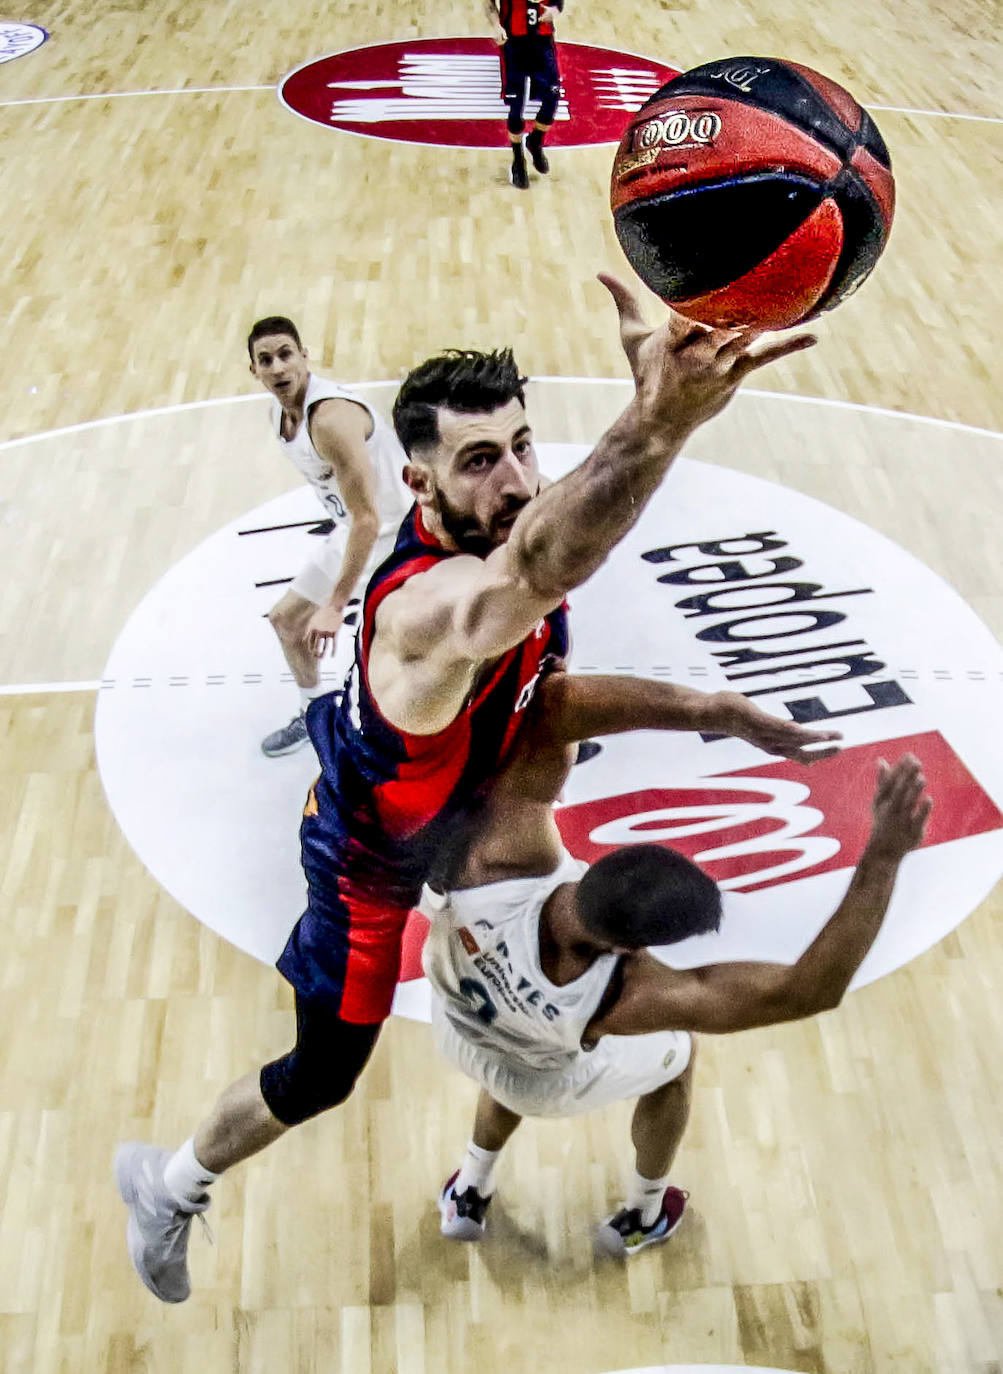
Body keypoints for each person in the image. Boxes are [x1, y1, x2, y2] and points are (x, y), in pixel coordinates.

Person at [114, 276, 815, 1302]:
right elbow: (541, 566)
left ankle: (481, 1158)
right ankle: (168, 1189)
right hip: (368, 861)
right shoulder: (433, 608)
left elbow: (555, 683)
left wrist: (709, 708)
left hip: (455, 809)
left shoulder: (502, 547)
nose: (517, 478)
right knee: (323, 1075)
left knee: (565, 896)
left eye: (524, 445)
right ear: (420, 480)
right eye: (479, 461)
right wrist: (660, 417)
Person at [425, 671, 929, 1255]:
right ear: (631, 950)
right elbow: (805, 991)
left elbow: (555, 707)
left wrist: (716, 711)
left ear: (606, 862)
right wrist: (884, 857)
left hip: (458, 1027)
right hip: (535, 1075)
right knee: (678, 1055)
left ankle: (471, 1187)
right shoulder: (625, 998)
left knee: (514, 1043)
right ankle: (643, 1212)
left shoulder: (498, 857)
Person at [247, 316, 413, 756]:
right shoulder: (279, 414)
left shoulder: (331, 419)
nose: (278, 367)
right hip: (356, 531)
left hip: (399, 536)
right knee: (287, 621)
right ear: (255, 371)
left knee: (398, 656)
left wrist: (335, 605)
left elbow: (368, 519)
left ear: (305, 356)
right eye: (266, 360)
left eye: (286, 354)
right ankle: (314, 712)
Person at [485, 0, 564, 189]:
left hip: (542, 40)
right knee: (516, 104)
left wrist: (555, 10)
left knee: (552, 97)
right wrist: (496, 26)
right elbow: (489, 3)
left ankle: (535, 140)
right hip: (514, 41)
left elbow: (558, 3)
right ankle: (518, 159)